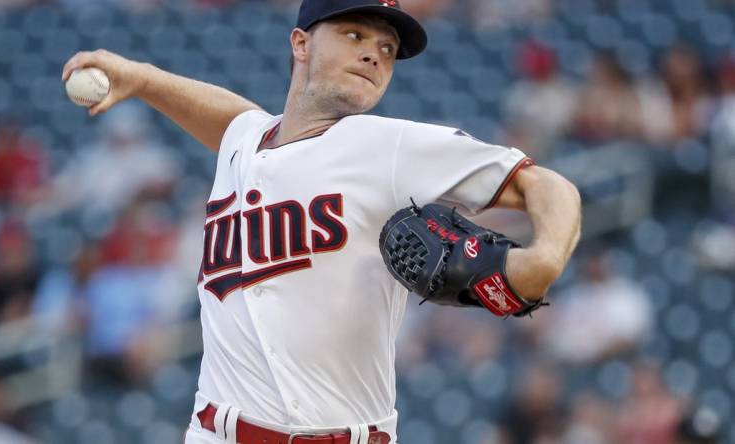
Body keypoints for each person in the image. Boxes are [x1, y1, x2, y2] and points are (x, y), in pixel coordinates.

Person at [62, 1, 581, 442]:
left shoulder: (389, 147)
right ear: (300, 44)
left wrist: (543, 259)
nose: (372, 54)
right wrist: (143, 78)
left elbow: (547, 185)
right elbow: (236, 121)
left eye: (386, 48)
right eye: (354, 33)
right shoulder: (245, 141)